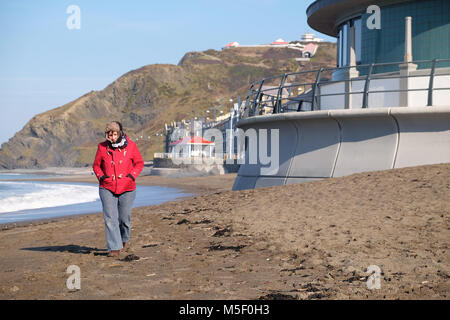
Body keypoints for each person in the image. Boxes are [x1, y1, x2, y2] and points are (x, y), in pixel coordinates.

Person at [93, 121, 144, 257]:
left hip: (127, 187)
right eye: (110, 135)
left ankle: (124, 239)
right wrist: (102, 177)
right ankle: (114, 247)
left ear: (120, 133)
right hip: (107, 187)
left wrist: (131, 177)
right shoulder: (102, 147)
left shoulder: (131, 146)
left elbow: (139, 163)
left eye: (115, 134)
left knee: (124, 219)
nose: (113, 138)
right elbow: (96, 166)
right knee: (110, 218)